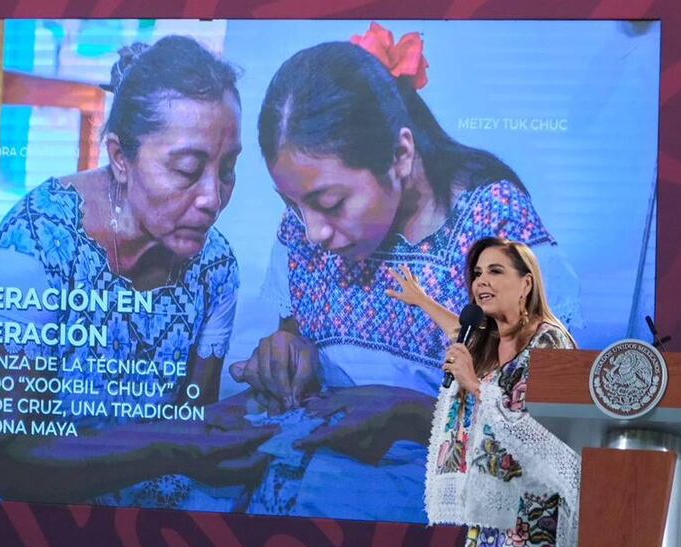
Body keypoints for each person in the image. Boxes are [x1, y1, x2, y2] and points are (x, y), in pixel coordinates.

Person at [0, 36, 273, 509]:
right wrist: (171, 450)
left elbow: (191, 419)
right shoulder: (37, 243)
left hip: (136, 455)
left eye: (227, 169)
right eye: (187, 168)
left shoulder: (215, 266)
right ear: (120, 158)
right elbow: (13, 462)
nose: (213, 198)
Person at [233, 23, 581, 521]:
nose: (311, 232)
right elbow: (296, 333)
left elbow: (545, 423)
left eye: (329, 203)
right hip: (313, 500)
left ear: (400, 154)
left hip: (439, 517)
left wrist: (412, 415)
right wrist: (287, 351)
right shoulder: (307, 226)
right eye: (292, 204)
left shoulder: (491, 230)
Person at [425, 236, 580, 547]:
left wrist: (475, 385)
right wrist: (423, 302)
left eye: (495, 271)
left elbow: (537, 433)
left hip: (535, 530)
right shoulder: (486, 342)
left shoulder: (549, 342)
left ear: (526, 283)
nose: (481, 282)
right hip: (489, 531)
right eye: (477, 273)